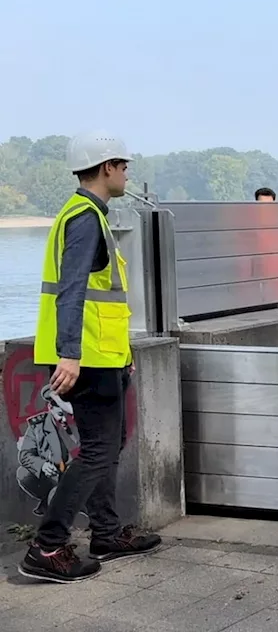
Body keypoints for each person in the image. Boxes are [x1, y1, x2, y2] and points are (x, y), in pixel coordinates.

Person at [24, 132, 162, 583]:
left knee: (108, 446)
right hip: (84, 360)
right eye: (123, 165)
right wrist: (69, 355)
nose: (127, 172)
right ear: (106, 168)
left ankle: (105, 532)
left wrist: (121, 356)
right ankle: (47, 547)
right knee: (98, 451)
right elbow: (72, 290)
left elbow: (105, 301)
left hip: (104, 356)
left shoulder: (89, 216)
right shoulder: (85, 218)